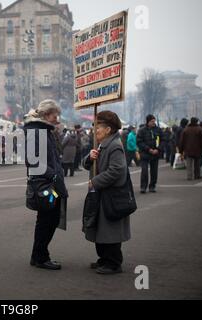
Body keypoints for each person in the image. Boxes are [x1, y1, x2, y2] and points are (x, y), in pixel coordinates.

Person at [83, 111, 130, 275]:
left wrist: (95, 181)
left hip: (110, 197)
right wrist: (90, 157)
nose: (94, 130)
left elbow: (117, 170)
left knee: (110, 231)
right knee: (101, 230)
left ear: (108, 129)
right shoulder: (102, 144)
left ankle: (113, 263)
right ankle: (103, 259)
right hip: (100, 194)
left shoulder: (114, 145)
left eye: (97, 126)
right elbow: (87, 164)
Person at [24, 99, 68, 270]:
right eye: (55, 115)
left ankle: (39, 255)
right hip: (45, 186)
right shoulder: (37, 132)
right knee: (48, 219)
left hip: (49, 185)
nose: (57, 119)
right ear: (46, 114)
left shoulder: (44, 130)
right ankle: (40, 257)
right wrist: (54, 175)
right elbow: (33, 161)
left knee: (48, 219)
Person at [137, 115, 165, 194]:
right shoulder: (141, 130)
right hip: (145, 154)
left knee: (154, 171)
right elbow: (139, 142)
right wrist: (148, 149)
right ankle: (143, 187)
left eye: (154, 121)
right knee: (144, 171)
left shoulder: (158, 130)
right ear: (147, 122)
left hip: (155, 154)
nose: (153, 123)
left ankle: (152, 186)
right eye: (152, 121)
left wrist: (158, 149)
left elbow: (163, 140)